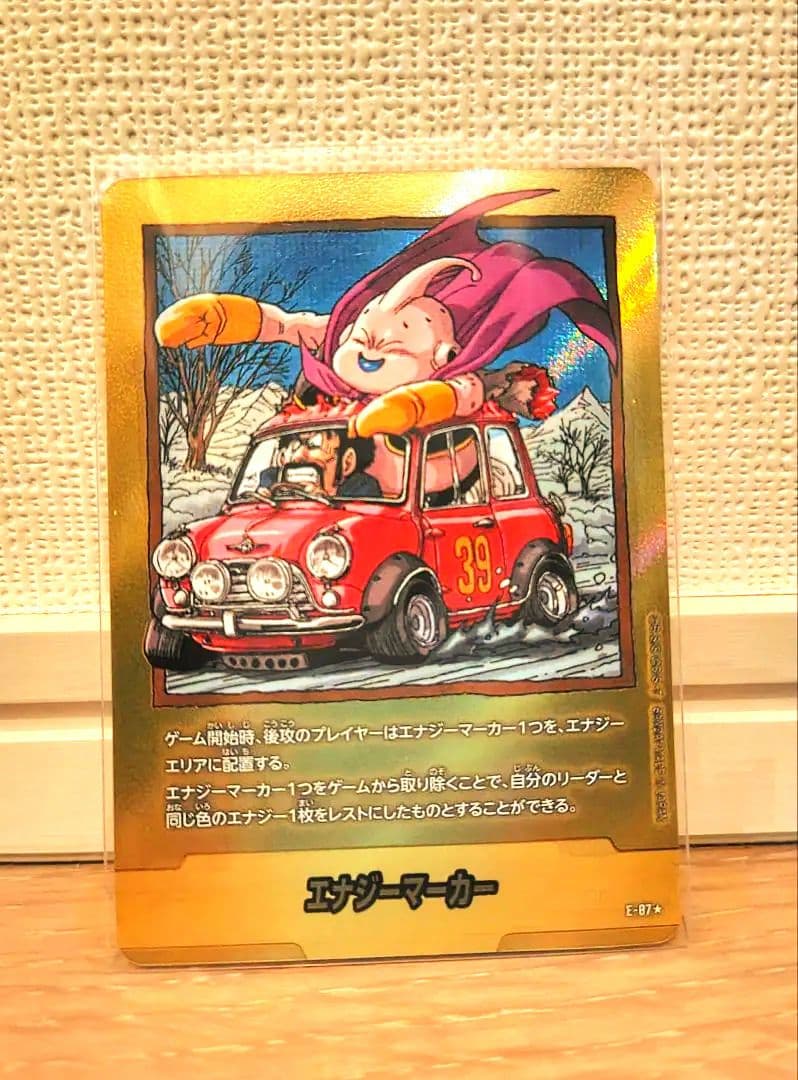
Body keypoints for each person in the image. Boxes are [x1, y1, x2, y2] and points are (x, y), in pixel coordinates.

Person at [154, 190, 618, 439]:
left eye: (398, 338)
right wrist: (222, 317)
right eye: (364, 332)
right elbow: (286, 324)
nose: (370, 345)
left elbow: (461, 395)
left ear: (445, 354)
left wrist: (414, 407)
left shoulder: (459, 379)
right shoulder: (344, 342)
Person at [259, 428, 382, 500]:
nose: (298, 456)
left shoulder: (363, 488)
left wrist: (321, 499)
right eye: (294, 447)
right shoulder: (270, 478)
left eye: (313, 445)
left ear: (347, 462)